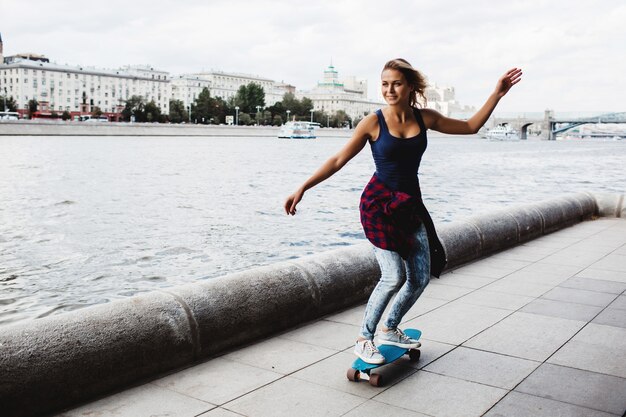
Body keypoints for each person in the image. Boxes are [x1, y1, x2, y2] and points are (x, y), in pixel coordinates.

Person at [284, 59, 522, 364]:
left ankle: (390, 329)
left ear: (410, 86)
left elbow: (470, 126)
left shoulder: (426, 118)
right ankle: (363, 338)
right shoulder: (372, 122)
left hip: (409, 206)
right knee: (393, 275)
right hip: (378, 207)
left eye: (396, 83)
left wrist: (497, 93)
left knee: (420, 276)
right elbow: (337, 160)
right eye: (384, 83)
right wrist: (303, 187)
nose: (389, 89)